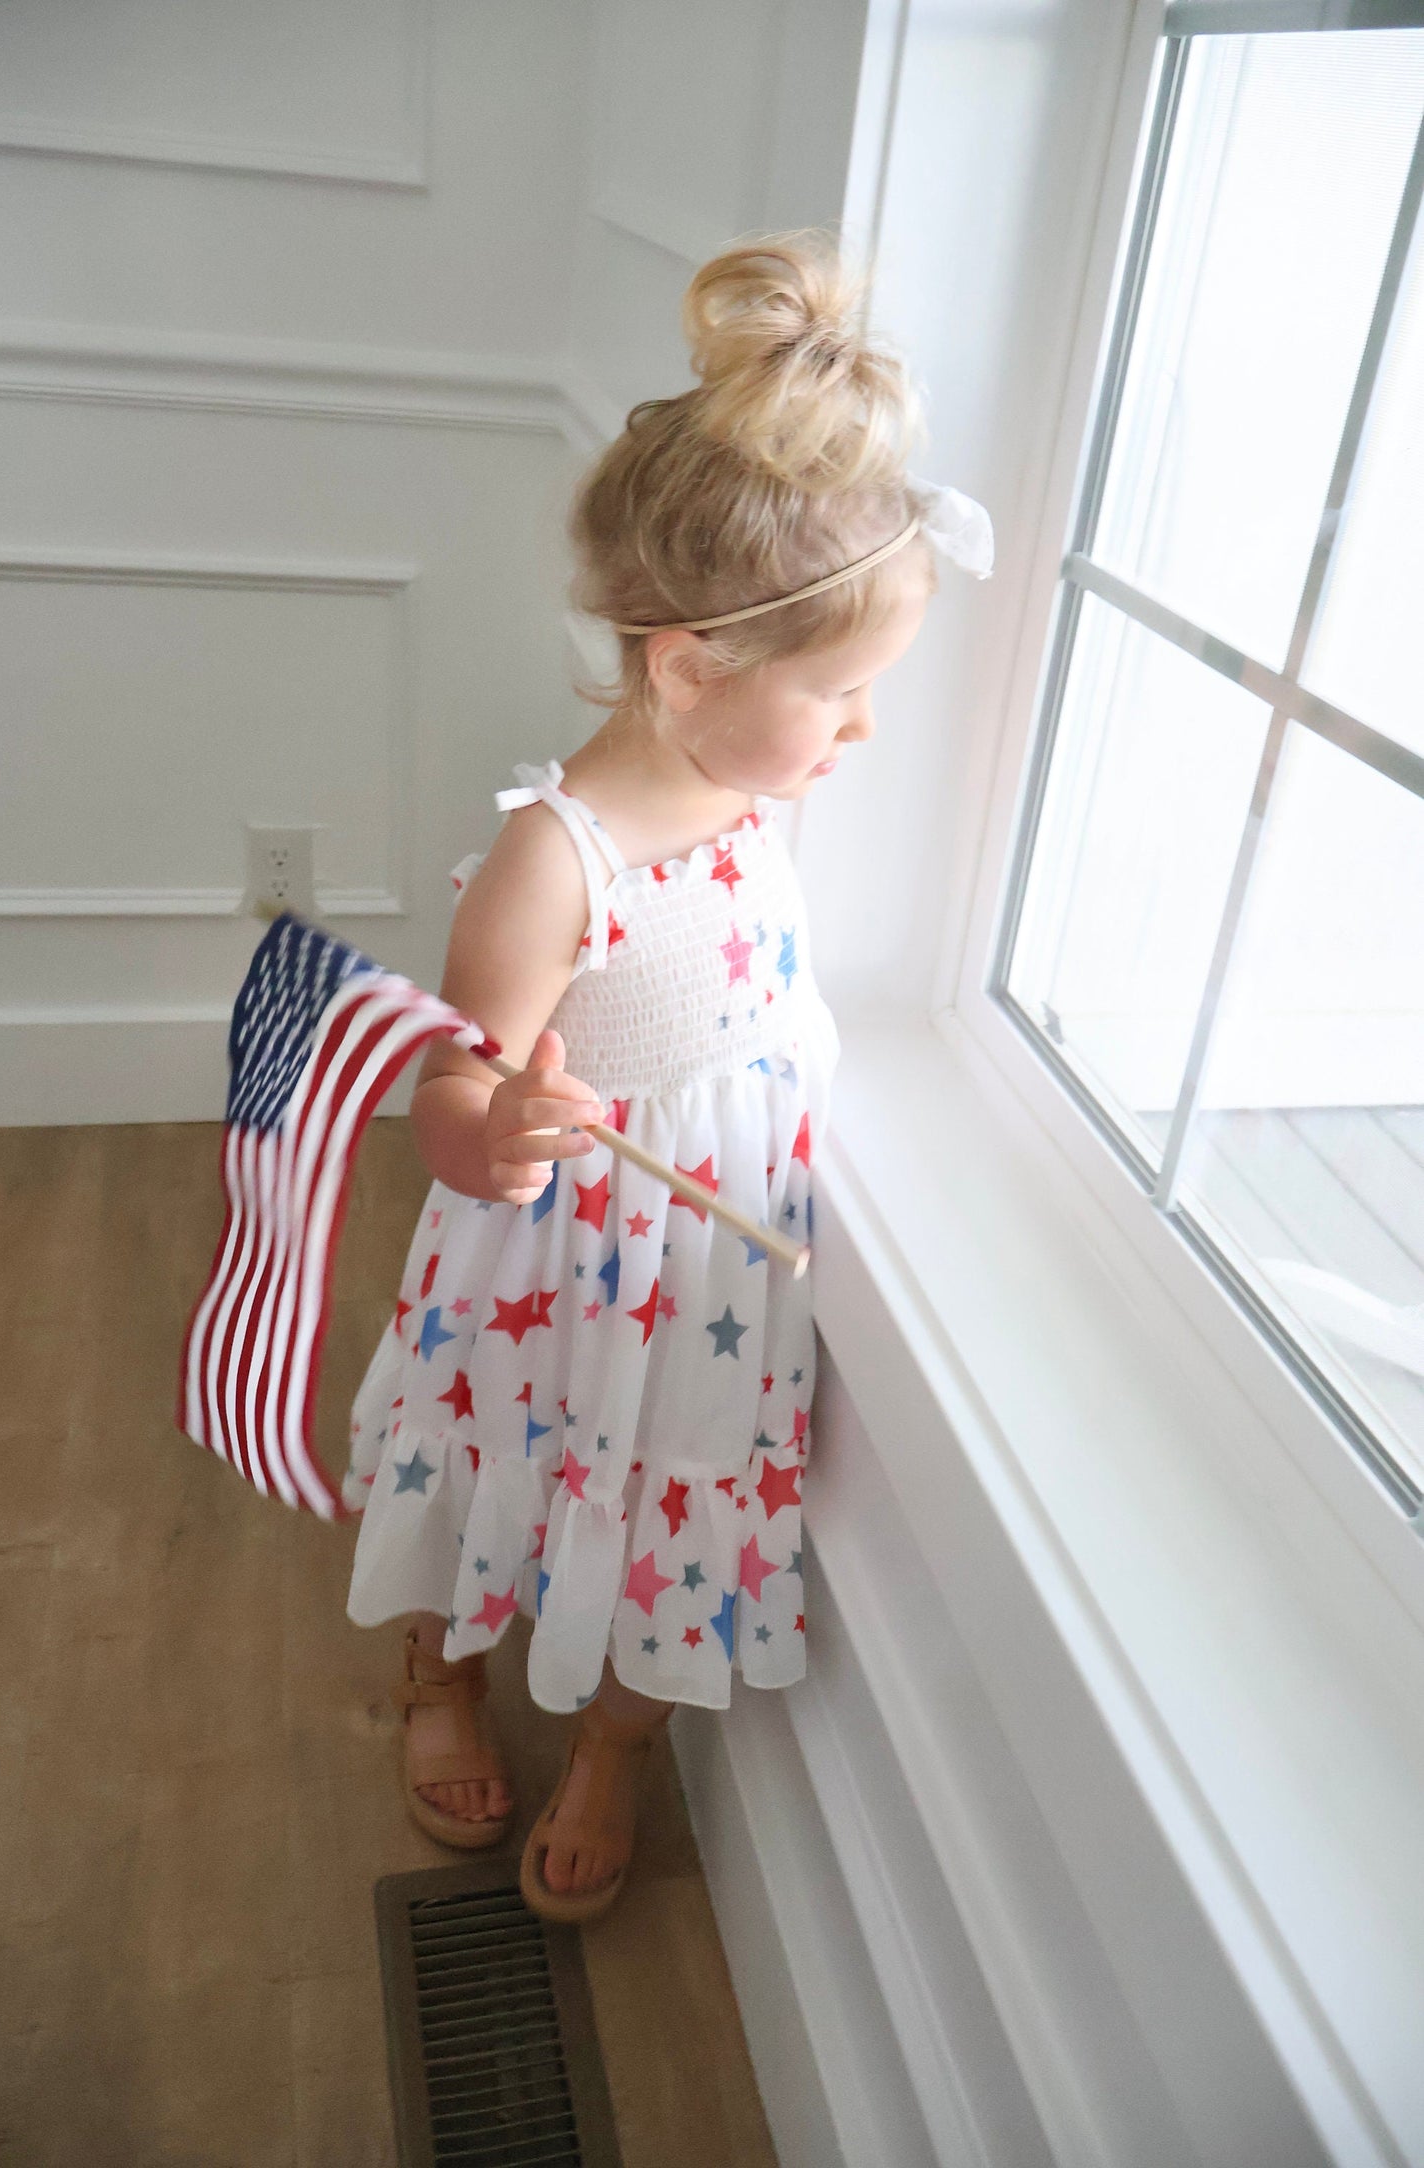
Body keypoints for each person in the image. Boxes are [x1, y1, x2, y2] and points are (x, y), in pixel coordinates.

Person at [341, 229, 991, 1922]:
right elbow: (445, 1098)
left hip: (713, 1253)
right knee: (511, 1453)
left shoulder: (745, 784)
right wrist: (501, 1131)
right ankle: (443, 1669)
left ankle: (624, 1739)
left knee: (674, 1481)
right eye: (839, 699)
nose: (859, 736)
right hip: (565, 1254)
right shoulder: (553, 862)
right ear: (689, 668)